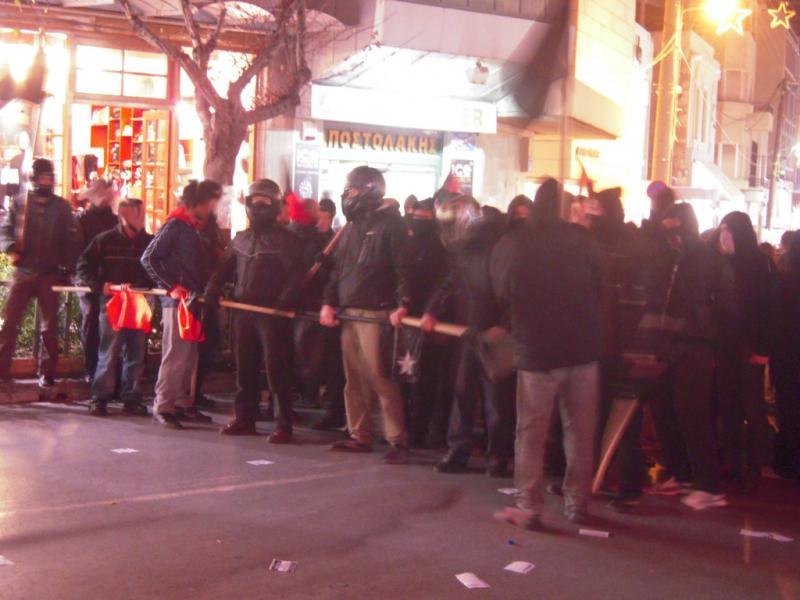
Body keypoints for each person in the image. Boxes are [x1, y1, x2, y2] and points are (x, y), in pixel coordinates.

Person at [490, 177, 604, 529]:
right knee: (580, 432)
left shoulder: (514, 242)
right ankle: (577, 502)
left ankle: (529, 505)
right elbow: (601, 285)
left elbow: (500, 290)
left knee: (531, 432)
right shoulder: (582, 239)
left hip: (536, 350)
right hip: (581, 349)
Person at [640, 203, 735, 510]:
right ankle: (682, 474)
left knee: (693, 415)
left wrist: (707, 334)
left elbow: (724, 307)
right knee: (667, 412)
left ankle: (707, 485)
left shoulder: (705, 260)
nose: (671, 234)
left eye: (674, 228)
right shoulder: (670, 257)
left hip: (694, 346)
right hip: (668, 345)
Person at [320, 166, 414, 463]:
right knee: (354, 377)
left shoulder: (392, 224)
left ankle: (396, 439)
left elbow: (404, 266)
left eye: (353, 190)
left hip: (377, 311)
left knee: (380, 376)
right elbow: (337, 270)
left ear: (369, 189)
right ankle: (359, 433)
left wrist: (403, 303)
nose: (348, 195)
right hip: (349, 311)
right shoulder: (352, 227)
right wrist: (328, 302)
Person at [422, 192, 515, 477]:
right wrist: (432, 310)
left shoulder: (499, 240)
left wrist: (505, 323)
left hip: (495, 331)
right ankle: (459, 451)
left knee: (496, 398)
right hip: (470, 328)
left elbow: (514, 285)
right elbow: (450, 279)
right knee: (462, 391)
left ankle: (497, 456)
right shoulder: (464, 245)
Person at [207, 179, 305, 442]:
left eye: (264, 202)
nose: (259, 207)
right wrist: (213, 288)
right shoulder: (241, 238)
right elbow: (224, 268)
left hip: (272, 315)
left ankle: (283, 424)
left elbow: (297, 276)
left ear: (275, 205)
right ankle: (245, 418)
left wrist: (285, 301)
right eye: (255, 202)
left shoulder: (288, 240)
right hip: (244, 312)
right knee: (245, 367)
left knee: (277, 370)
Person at [141, 180, 221, 429]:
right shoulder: (175, 227)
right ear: (197, 204)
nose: (211, 209)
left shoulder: (191, 229)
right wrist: (171, 286)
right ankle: (164, 405)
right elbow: (149, 258)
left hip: (191, 300)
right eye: (209, 204)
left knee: (188, 356)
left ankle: (182, 402)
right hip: (178, 302)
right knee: (176, 354)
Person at [0, 158, 80, 388]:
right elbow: (5, 230)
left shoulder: (62, 207)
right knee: (10, 323)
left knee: (49, 326)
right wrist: (10, 247)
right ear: (34, 178)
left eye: (48, 177)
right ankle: (2, 370)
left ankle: (48, 372)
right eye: (42, 177)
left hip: (49, 273)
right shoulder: (20, 202)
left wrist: (67, 267)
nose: (45, 182)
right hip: (23, 271)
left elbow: (72, 240)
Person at [715, 212, 776, 490]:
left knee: (752, 407)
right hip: (727, 346)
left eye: (728, 230)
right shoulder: (724, 262)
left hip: (750, 346)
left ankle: (754, 465)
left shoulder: (760, 264)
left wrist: (763, 348)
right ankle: (734, 462)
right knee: (729, 405)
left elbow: (769, 309)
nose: (724, 235)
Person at [76, 198, 153, 417]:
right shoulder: (105, 240)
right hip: (113, 302)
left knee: (136, 352)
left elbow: (155, 270)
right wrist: (100, 285)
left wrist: (140, 285)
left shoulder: (149, 242)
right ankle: (100, 397)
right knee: (109, 350)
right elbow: (83, 265)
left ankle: (131, 397)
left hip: (138, 302)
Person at [405, 198, 449, 447]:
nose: (419, 223)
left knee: (429, 378)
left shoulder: (443, 248)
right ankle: (411, 427)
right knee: (408, 375)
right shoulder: (408, 245)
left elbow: (444, 283)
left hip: (432, 321)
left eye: (425, 219)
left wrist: (435, 311)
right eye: (417, 218)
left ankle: (423, 428)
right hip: (410, 318)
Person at [76, 178, 119, 382]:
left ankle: (102, 370)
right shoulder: (83, 219)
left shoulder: (114, 220)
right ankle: (91, 367)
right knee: (92, 320)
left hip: (108, 279)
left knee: (107, 324)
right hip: (89, 278)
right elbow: (78, 252)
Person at [311, 197, 347, 431]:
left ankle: (337, 411)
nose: (320, 222)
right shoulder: (311, 239)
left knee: (335, 364)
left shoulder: (338, 241)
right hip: (314, 307)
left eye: (324, 217)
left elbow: (337, 275)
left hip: (332, 308)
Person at [194, 212, 227, 410]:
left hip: (210, 296)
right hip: (203, 296)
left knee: (205, 347)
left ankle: (195, 391)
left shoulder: (211, 237)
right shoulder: (199, 239)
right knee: (200, 348)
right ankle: (192, 392)